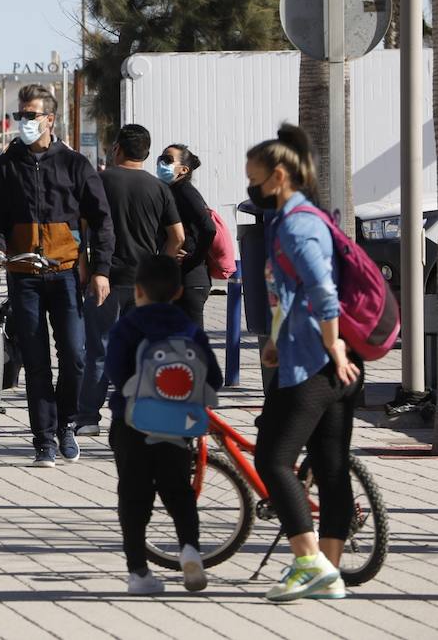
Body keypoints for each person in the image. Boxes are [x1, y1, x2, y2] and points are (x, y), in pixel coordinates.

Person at [247, 124, 359, 602]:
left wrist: (332, 346)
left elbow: (322, 291)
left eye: (253, 177)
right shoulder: (303, 217)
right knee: (330, 468)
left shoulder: (296, 223)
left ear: (277, 177)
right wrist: (275, 339)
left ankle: (309, 560)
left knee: (272, 460)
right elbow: (292, 293)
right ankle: (328, 574)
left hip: (317, 362)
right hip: (327, 359)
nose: (250, 187)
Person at [0, 84, 114, 468]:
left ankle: (68, 425)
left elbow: (102, 221)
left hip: (67, 274)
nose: (23, 121)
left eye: (31, 115)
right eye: (20, 114)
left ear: (49, 119)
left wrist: (101, 269)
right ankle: (44, 439)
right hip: (23, 274)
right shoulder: (6, 165)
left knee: (73, 355)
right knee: (36, 360)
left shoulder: (75, 164)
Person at [105, 254, 222, 595]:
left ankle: (139, 573)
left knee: (133, 495)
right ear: (178, 292)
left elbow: (115, 372)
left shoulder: (126, 326)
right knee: (178, 492)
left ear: (137, 291)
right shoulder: (188, 328)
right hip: (176, 426)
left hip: (131, 424)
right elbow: (211, 377)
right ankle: (189, 549)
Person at [76, 123, 184, 437]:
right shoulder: (159, 188)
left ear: (117, 149)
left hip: (104, 278)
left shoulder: (99, 181)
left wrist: (85, 265)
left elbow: (80, 229)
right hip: (145, 283)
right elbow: (177, 237)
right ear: (147, 153)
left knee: (98, 349)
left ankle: (87, 418)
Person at [158, 144, 217, 330]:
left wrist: (193, 259)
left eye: (167, 160)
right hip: (180, 280)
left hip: (191, 281)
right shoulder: (172, 191)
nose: (161, 163)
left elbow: (209, 228)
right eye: (161, 158)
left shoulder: (185, 191)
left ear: (184, 169)